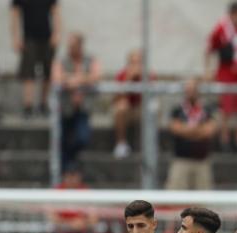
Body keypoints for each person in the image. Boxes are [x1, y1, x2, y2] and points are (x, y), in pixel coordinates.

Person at [206, 1, 237, 151]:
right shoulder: (222, 28)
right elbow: (210, 48)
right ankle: (224, 137)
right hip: (227, 72)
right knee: (226, 106)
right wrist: (207, 71)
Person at [51, 32, 100, 169]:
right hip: (65, 108)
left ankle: (71, 164)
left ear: (80, 46)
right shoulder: (61, 60)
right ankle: (65, 169)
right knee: (62, 140)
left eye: (73, 46)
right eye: (69, 46)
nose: (70, 49)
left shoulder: (90, 59)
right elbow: (57, 78)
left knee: (82, 138)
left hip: (83, 107)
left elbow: (95, 77)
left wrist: (73, 79)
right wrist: (82, 78)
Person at [166, 78, 217, 191]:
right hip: (181, 160)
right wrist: (198, 130)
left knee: (204, 202)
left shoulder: (207, 109)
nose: (191, 92)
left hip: (202, 161)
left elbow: (210, 130)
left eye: (193, 89)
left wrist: (188, 130)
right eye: (189, 89)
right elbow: (175, 128)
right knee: (175, 198)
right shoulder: (177, 109)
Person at [11, 0, 60, 117]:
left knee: (48, 72)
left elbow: (55, 13)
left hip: (47, 38)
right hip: (28, 39)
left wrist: (56, 34)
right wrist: (16, 37)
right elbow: (15, 16)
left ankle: (43, 104)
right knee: (28, 73)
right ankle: (28, 106)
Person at [112, 49, 146, 159]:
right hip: (127, 111)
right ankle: (121, 144)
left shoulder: (148, 75)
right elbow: (116, 98)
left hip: (141, 109)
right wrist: (129, 80)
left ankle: (147, 144)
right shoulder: (121, 75)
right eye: (132, 63)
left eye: (138, 62)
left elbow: (151, 97)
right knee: (121, 106)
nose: (135, 66)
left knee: (152, 109)